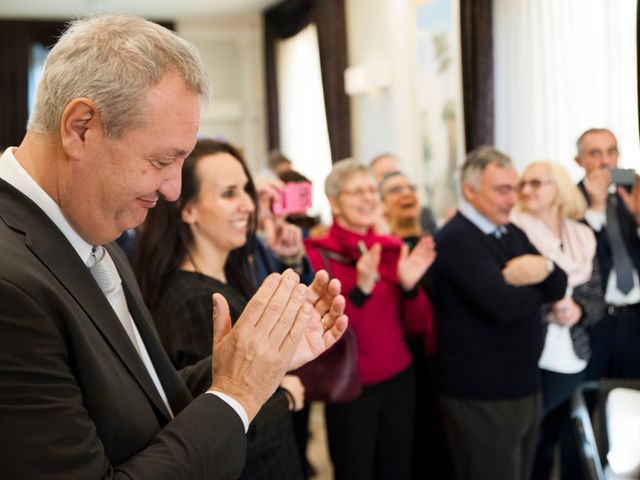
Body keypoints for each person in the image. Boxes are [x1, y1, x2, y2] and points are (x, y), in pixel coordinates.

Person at [0, 15, 347, 479]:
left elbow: (143, 397)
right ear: (80, 128)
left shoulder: (94, 230)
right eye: (162, 160)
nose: (173, 190)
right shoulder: (10, 284)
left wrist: (257, 360)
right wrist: (237, 394)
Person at [135, 138, 306, 479]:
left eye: (245, 190)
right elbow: (219, 426)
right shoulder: (198, 302)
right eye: (229, 194)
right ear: (188, 209)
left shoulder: (230, 272)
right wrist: (283, 394)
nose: (247, 205)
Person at [427, 146, 567, 480]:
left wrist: (545, 266)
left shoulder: (510, 230)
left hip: (521, 383)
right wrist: (541, 284)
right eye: (502, 190)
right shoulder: (458, 238)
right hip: (482, 392)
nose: (512, 198)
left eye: (515, 188)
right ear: (470, 190)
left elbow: (559, 284)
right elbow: (503, 305)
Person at [304, 159, 436, 480]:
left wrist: (409, 287)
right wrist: (360, 290)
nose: (367, 198)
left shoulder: (392, 250)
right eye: (356, 192)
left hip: (399, 379)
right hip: (350, 386)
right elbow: (322, 328)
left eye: (371, 191)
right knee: (354, 470)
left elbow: (419, 327)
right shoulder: (315, 253)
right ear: (334, 202)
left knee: (397, 470)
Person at [510, 161, 605, 480]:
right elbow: (508, 294)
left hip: (572, 354)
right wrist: (549, 308)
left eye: (537, 183)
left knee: (550, 440)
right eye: (524, 183)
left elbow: (595, 297)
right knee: (527, 438)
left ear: (559, 189)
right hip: (529, 351)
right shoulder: (513, 228)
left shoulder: (581, 234)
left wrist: (577, 309)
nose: (526, 190)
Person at [379, 170, 447, 479]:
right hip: (399, 357)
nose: (407, 194)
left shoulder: (435, 243)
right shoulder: (380, 250)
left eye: (411, 187)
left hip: (438, 355)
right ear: (382, 204)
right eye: (396, 190)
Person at [574, 128, 640, 381]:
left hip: (634, 317)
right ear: (579, 161)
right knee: (590, 397)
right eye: (595, 153)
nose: (605, 161)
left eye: (611, 152)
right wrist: (595, 209)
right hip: (596, 321)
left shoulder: (632, 189)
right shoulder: (570, 198)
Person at [369, 152, 438, 235]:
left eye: (397, 173)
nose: (406, 193)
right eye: (386, 175)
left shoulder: (424, 215)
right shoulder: (367, 220)